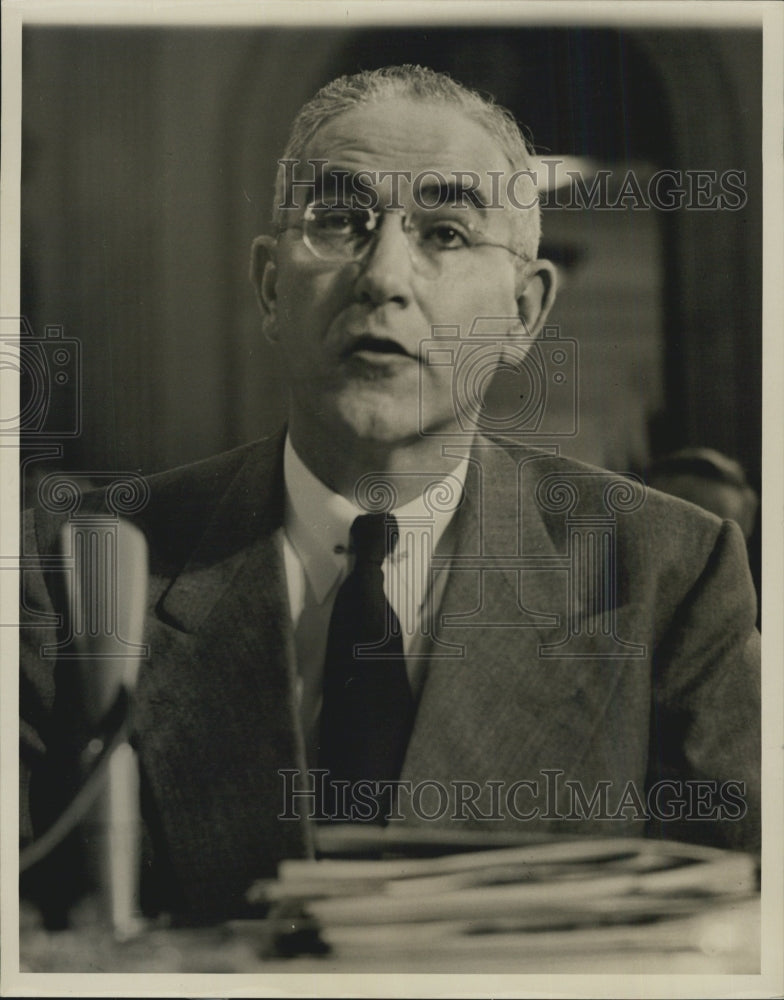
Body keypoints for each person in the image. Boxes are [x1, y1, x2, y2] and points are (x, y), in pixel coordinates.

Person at [20, 65, 760, 923]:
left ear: (524, 313)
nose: (383, 277)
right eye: (338, 221)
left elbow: (740, 936)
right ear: (269, 287)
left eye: (445, 232)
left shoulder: (666, 576)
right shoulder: (76, 569)